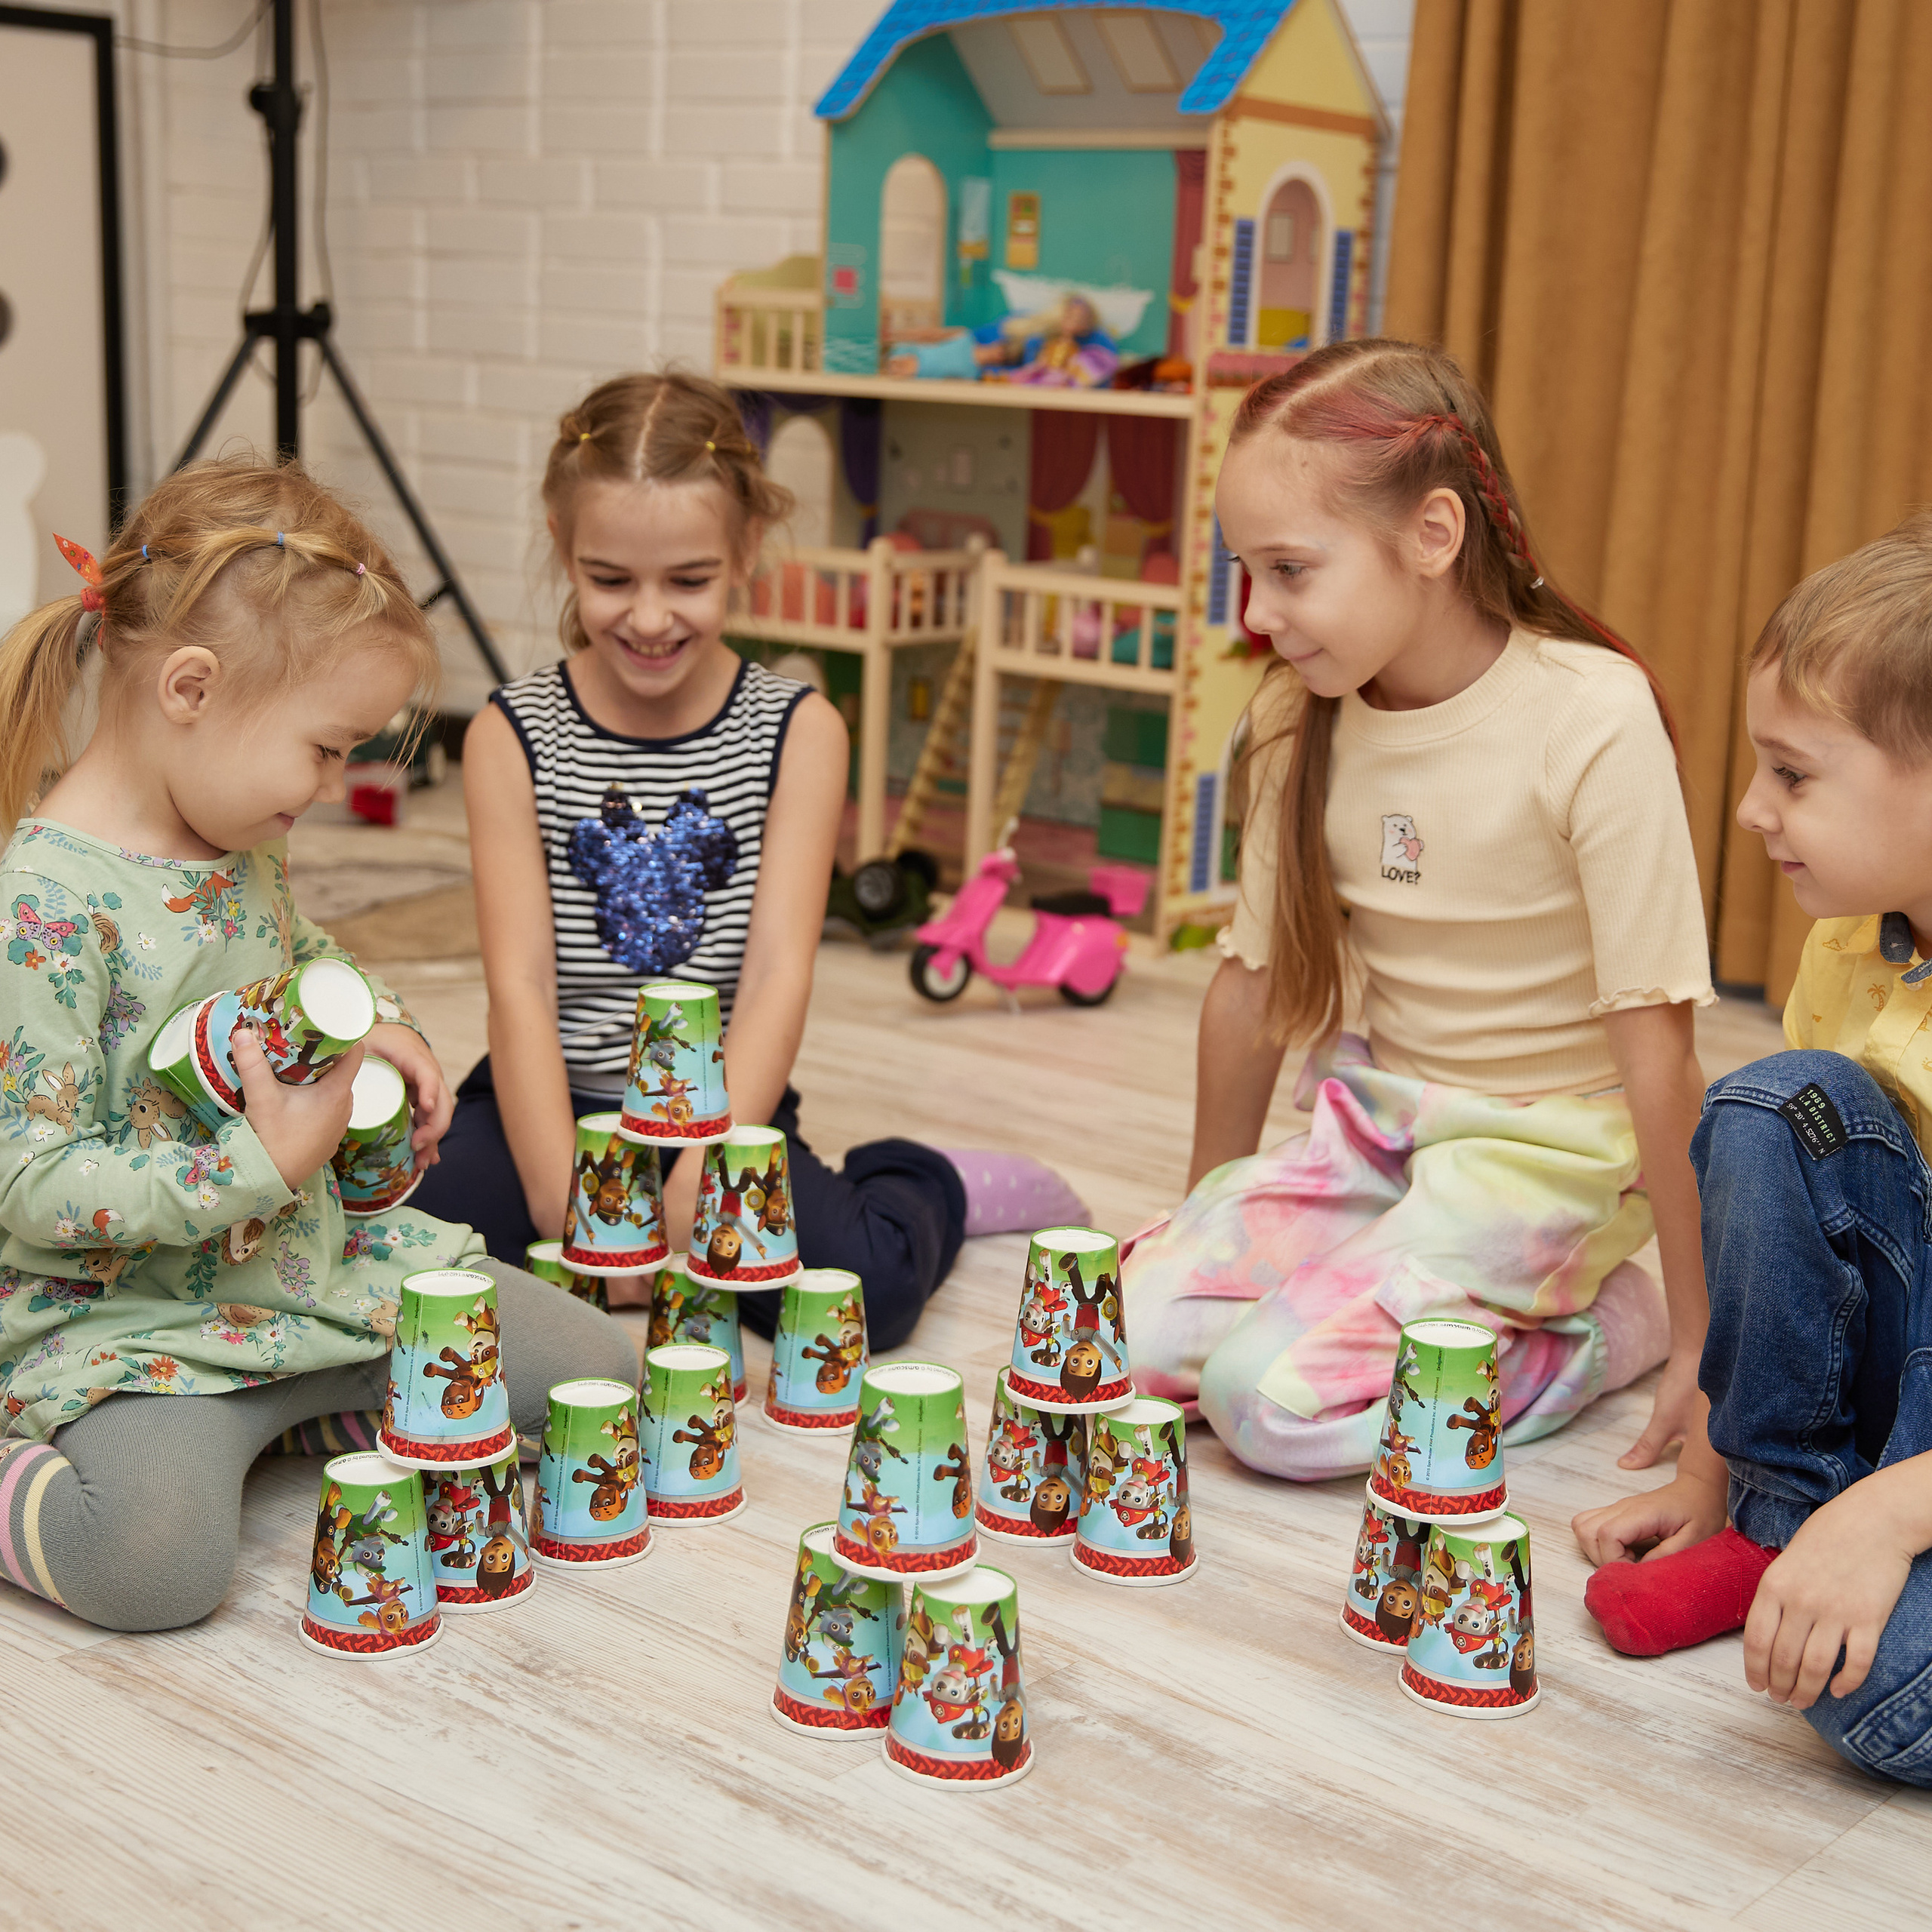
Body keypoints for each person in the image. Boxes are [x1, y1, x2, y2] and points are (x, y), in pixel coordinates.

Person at [0, 458, 637, 1633]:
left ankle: (292, 1416)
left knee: (600, 1376)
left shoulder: (237, 839)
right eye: (328, 748)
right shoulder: (41, 903)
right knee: (152, 1566)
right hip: (136, 1329)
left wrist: (380, 1017)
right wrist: (260, 1166)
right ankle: (238, 1429)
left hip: (308, 1276)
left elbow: (304, 957)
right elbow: (32, 1186)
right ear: (189, 688)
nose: (338, 785)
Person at [1122, 340, 1713, 1481]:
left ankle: (1607, 1330)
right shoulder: (1300, 718)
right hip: (1387, 1125)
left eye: (1290, 570)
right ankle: (1371, 1284)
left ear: (1433, 536)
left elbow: (1662, 1056)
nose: (1256, 613)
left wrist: (1697, 1334)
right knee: (1124, 1337)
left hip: (1545, 1158)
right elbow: (1247, 994)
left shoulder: (1591, 714)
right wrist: (1217, 1230)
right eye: (1244, 571)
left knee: (1265, 1406)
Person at [411, 372, 1079, 1348]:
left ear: (745, 552)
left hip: (723, 1109)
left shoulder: (798, 731)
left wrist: (688, 1190)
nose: (648, 618)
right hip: (548, 1101)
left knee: (872, 1298)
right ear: (563, 549)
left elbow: (776, 975)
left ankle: (924, 1175)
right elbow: (519, 987)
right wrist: (568, 1205)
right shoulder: (512, 734)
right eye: (610, 580)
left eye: (688, 580)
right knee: (401, 1261)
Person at [1574, 517, 1932, 1787]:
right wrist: (1715, 1465)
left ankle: (1851, 1529)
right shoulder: (1853, 944)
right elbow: (1821, 1244)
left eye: (1792, 774)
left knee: (1878, 1697)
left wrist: (1893, 1514)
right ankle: (1781, 1524)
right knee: (1773, 1106)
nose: (1748, 809)